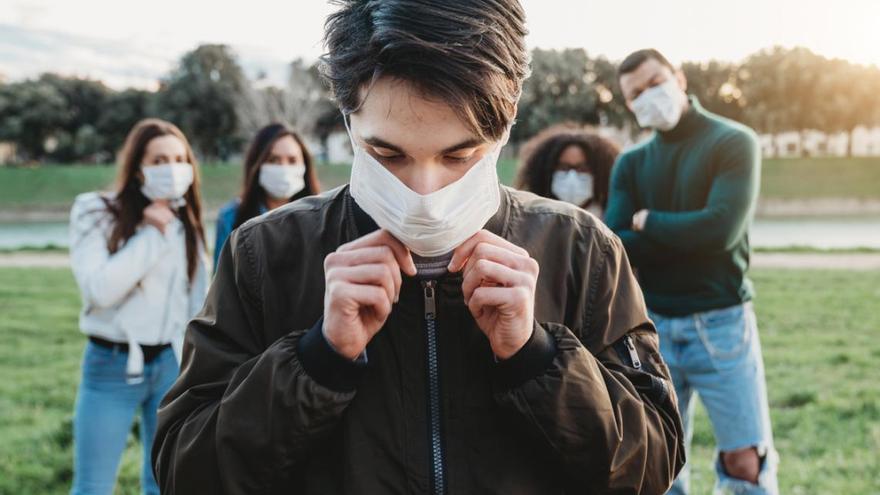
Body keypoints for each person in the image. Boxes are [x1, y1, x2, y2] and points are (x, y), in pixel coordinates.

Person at [153, 2, 684, 493]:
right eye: (387, 154)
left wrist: (536, 359)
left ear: (507, 120)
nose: (424, 194)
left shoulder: (582, 250)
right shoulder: (264, 253)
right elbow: (184, 468)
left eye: (460, 156)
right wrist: (317, 361)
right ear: (347, 116)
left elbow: (654, 464)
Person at [605, 49, 778, 495]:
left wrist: (650, 221)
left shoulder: (733, 142)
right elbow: (617, 245)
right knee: (659, 464)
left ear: (679, 78)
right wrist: (684, 230)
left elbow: (720, 231)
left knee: (745, 462)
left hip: (721, 324)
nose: (649, 96)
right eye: (636, 93)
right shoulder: (631, 163)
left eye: (655, 82)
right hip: (651, 328)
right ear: (628, 104)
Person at [68, 118, 208, 495]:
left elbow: (196, 301)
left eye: (180, 158)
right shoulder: (95, 211)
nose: (172, 168)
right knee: (92, 487)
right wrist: (150, 233)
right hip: (110, 366)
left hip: (167, 365)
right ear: (138, 168)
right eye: (159, 159)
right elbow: (100, 290)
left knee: (163, 483)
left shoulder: (186, 223)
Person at [213, 123, 320, 268]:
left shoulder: (321, 218)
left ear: (305, 165)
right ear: (257, 165)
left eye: (292, 160)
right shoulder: (230, 218)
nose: (284, 168)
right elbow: (221, 283)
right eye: (273, 160)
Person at [515, 123, 619, 219]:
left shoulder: (612, 220)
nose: (572, 176)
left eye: (582, 169)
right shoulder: (529, 220)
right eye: (564, 168)